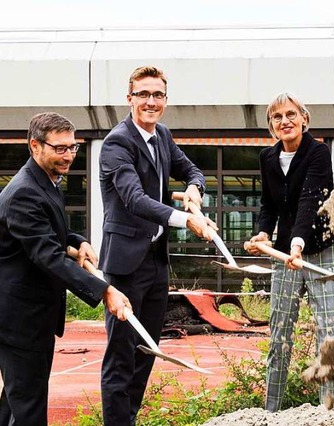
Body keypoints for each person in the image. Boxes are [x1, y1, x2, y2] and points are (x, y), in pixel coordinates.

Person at [99, 66, 216, 425]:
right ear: (129, 98)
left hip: (155, 262)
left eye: (158, 95)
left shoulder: (162, 135)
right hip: (125, 265)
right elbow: (134, 199)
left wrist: (195, 188)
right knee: (121, 358)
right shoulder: (117, 143)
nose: (151, 102)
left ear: (165, 99)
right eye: (143, 94)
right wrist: (187, 219)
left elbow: (192, 170)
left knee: (147, 351)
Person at [0, 112, 131, 426]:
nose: (69, 155)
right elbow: (47, 255)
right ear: (35, 146)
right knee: (30, 409)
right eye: (60, 148)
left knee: (16, 402)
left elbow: (52, 232)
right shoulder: (23, 192)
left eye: (73, 148)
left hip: (33, 316)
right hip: (18, 320)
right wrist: (105, 290)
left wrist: (78, 240)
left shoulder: (46, 181)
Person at [246, 92, 334, 412]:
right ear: (271, 126)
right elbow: (268, 204)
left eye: (291, 114)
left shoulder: (318, 152)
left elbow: (310, 200)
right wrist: (264, 231)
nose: (285, 121)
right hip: (286, 258)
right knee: (279, 336)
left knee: (328, 336)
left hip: (322, 252)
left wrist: (298, 243)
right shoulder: (267, 157)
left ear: (304, 118)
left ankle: (329, 412)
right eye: (277, 117)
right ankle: (270, 412)